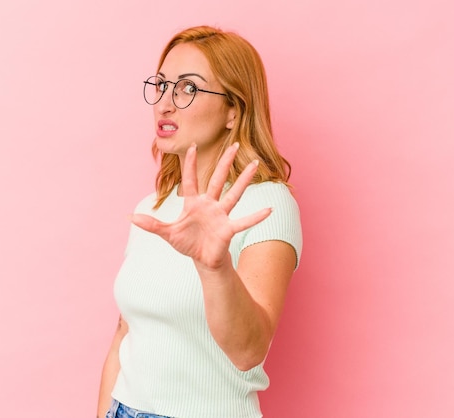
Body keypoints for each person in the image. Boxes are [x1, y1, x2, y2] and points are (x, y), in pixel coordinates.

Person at [97, 25, 303, 418]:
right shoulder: (153, 207)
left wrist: (215, 266)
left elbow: (248, 352)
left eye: (188, 88)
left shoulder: (268, 204)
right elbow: (124, 336)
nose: (164, 104)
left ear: (233, 110)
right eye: (161, 86)